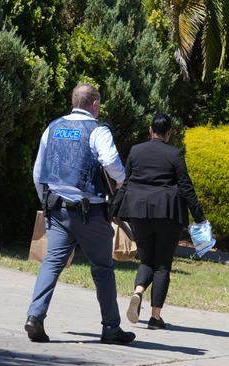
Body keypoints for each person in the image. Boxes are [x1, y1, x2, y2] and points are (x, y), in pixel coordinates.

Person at [25, 83, 136, 345]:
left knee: (52, 263)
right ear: (95, 104)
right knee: (103, 268)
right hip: (89, 212)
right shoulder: (97, 130)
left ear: (74, 101)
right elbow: (110, 161)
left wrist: (46, 201)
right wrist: (120, 180)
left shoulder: (52, 127)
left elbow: (39, 171)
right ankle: (110, 328)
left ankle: (35, 316)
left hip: (56, 209)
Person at [117, 113, 206, 330]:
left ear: (150, 130)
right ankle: (155, 317)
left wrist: (113, 210)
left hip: (139, 212)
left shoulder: (136, 151)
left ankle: (138, 292)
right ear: (168, 133)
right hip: (168, 213)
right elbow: (186, 187)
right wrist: (199, 217)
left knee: (146, 260)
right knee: (163, 265)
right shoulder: (175, 154)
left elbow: (126, 182)